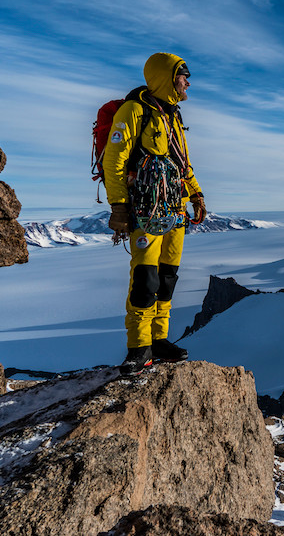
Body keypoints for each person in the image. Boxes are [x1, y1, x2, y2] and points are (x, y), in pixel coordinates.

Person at [103, 52, 206, 373]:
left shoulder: (172, 116)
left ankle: (158, 340)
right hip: (145, 212)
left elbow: (181, 165)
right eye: (182, 75)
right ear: (166, 77)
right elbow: (114, 161)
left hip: (174, 212)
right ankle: (138, 347)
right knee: (145, 280)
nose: (188, 82)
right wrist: (118, 206)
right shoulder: (134, 111)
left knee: (167, 279)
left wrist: (197, 194)